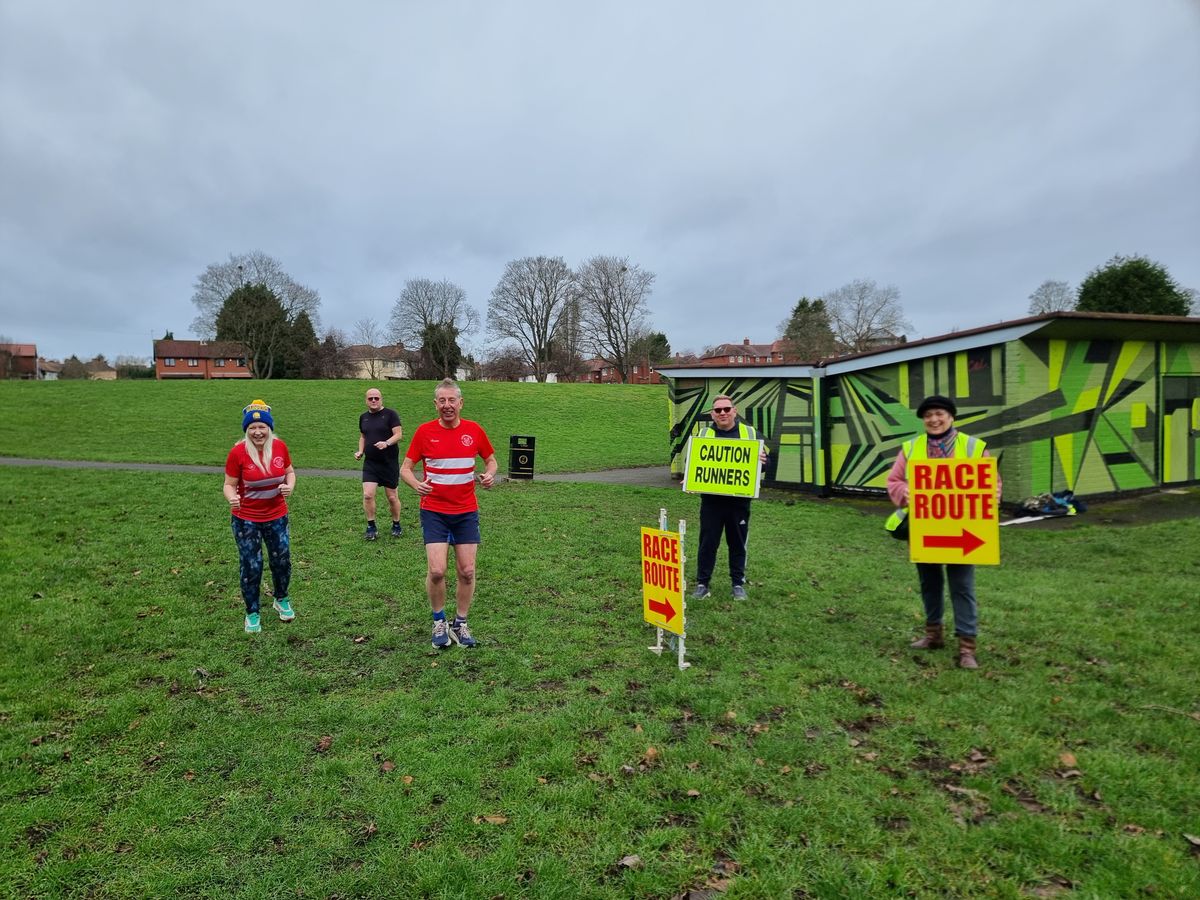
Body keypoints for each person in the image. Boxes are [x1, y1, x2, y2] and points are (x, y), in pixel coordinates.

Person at [886, 395, 1000, 669]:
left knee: (962, 586)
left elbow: (992, 484)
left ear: (951, 416)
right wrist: (905, 493)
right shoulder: (911, 449)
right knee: (930, 583)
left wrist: (989, 500)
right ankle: (933, 635)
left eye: (939, 414)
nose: (934, 420)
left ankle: (967, 647)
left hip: (964, 529)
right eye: (928, 415)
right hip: (926, 527)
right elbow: (894, 480)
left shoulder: (973, 446)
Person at [401, 378, 498, 649]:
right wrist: (415, 484)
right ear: (435, 404)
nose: (447, 405)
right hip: (434, 511)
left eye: (451, 400)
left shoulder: (474, 431)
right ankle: (439, 621)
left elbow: (491, 460)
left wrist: (489, 475)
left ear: (460, 403)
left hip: (466, 511)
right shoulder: (424, 432)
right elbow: (405, 468)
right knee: (436, 571)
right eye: (442, 401)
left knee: (467, 571)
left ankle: (461, 623)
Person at [223, 400, 296, 634]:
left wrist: (290, 486)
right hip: (246, 519)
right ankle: (252, 612)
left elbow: (289, 472)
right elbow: (228, 485)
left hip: (276, 515)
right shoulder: (238, 452)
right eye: (252, 428)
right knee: (252, 565)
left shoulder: (280, 447)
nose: (257, 432)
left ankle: (281, 599)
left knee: (281, 560)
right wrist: (231, 497)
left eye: (262, 427)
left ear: (269, 428)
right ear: (246, 430)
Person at [691, 394, 769, 601]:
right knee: (707, 543)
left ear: (735, 411)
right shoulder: (704, 434)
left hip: (739, 502)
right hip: (711, 502)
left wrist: (763, 460)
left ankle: (737, 584)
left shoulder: (749, 433)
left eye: (727, 409)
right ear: (712, 415)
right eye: (718, 410)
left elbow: (765, 463)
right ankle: (702, 584)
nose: (723, 413)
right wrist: (690, 479)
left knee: (737, 543)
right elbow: (696, 465)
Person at [354, 387, 404, 540]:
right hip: (371, 463)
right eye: (371, 398)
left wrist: (386, 443)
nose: (374, 401)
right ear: (366, 400)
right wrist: (360, 451)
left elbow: (399, 434)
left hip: (389, 463)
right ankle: (371, 526)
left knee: (392, 497)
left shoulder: (390, 415)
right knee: (368, 495)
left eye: (376, 398)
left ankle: (396, 524)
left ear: (381, 399)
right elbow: (363, 436)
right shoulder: (363, 417)